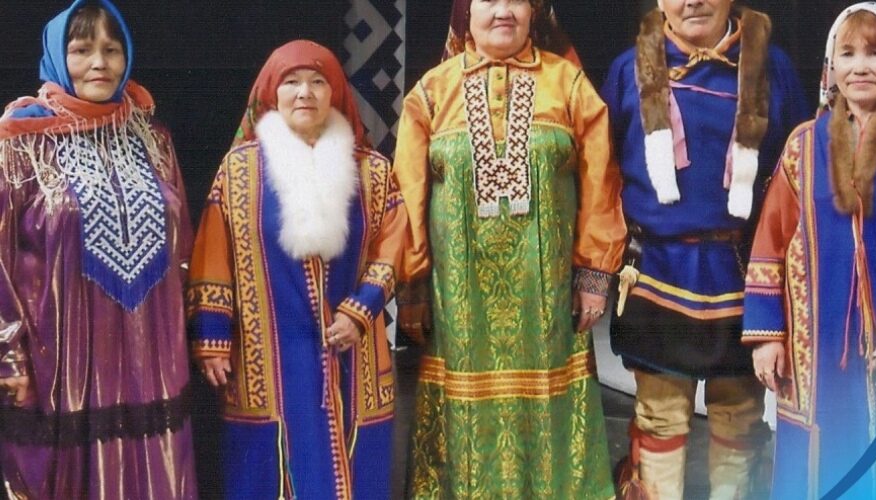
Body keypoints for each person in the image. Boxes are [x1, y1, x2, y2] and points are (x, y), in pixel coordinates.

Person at [393, 0, 625, 497]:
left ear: (533, 12)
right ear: (466, 13)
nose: (503, 11)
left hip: (548, 304)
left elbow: (601, 183)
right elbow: (408, 198)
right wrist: (411, 286)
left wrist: (594, 273)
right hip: (458, 306)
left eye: (515, 0)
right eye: (488, 0)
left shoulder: (569, 84)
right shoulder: (431, 93)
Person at [601, 0, 809, 497]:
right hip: (656, 269)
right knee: (660, 415)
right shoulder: (626, 70)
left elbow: (800, 173)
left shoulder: (773, 68)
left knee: (740, 416)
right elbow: (601, 174)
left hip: (744, 274)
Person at [187, 39, 406, 499]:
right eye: (291, 82)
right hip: (264, 359)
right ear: (272, 92)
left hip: (354, 355)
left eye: (317, 81)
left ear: (335, 92)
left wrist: (361, 310)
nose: (305, 93)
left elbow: (394, 246)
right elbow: (212, 255)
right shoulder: (239, 170)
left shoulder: (373, 171)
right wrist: (213, 337)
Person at [0, 1, 196, 497]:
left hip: (152, 357)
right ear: (56, 55)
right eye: (82, 50)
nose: (99, 63)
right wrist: (8, 356)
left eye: (112, 50)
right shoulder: (21, 143)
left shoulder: (153, 139)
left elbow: (183, 249)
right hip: (60, 360)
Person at [743, 3, 876, 498]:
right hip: (815, 350)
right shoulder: (802, 145)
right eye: (847, 54)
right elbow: (770, 240)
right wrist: (768, 335)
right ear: (831, 67)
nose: (860, 67)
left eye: (875, 52)